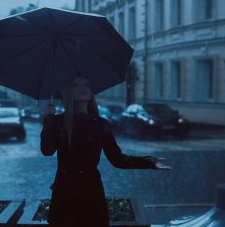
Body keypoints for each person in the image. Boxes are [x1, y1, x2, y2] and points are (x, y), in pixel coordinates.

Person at [40, 76, 172, 227]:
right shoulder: (58, 122)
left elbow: (118, 160)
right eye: (76, 85)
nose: (82, 87)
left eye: (86, 84)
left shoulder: (101, 124)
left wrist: (149, 162)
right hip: (64, 192)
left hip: (91, 192)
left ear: (91, 93)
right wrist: (48, 121)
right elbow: (47, 150)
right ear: (67, 93)